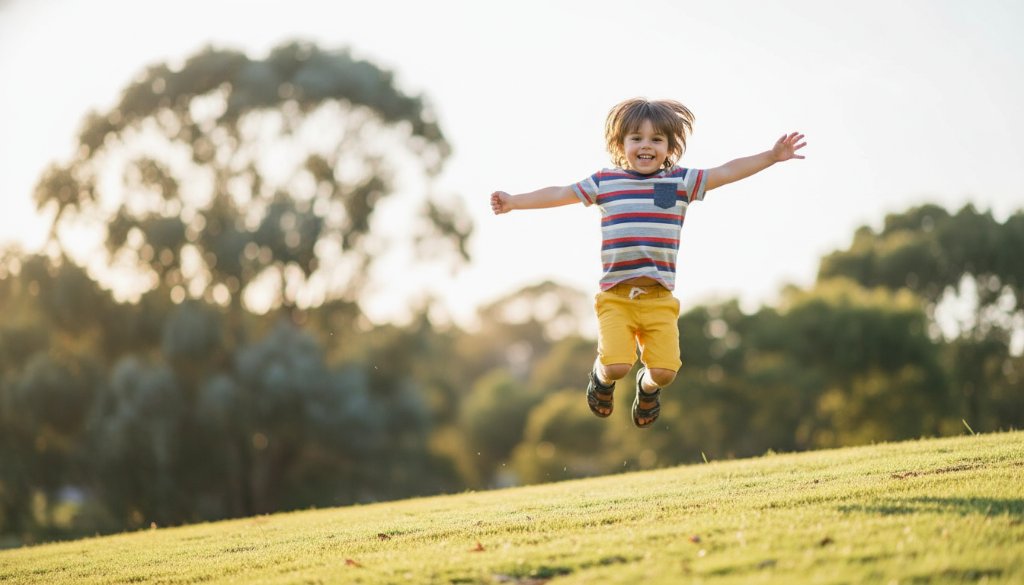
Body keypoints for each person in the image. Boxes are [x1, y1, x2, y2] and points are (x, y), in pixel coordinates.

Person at [490, 97, 806, 428]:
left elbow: (725, 172)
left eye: (656, 139)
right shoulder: (605, 182)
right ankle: (600, 379)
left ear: (670, 146)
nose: (646, 146)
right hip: (616, 296)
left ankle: (647, 388)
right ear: (620, 144)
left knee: (665, 373)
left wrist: (771, 156)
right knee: (616, 366)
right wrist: (515, 202)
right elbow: (559, 193)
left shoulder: (679, 182)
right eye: (637, 138)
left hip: (659, 298)